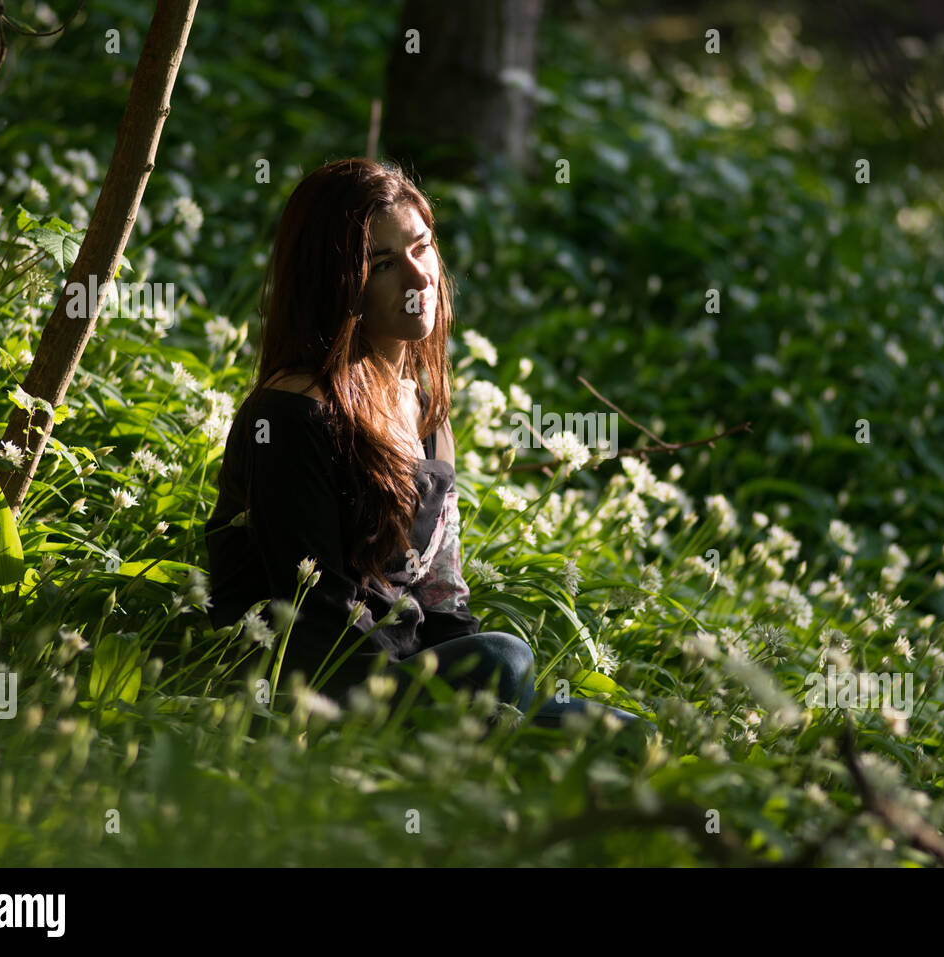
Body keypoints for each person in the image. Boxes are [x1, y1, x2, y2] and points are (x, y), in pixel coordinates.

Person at [203, 157, 654, 743]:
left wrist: (472, 673)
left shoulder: (424, 411)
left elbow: (442, 595)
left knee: (624, 731)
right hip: (317, 689)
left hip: (410, 680)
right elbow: (312, 616)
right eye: (383, 264)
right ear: (337, 284)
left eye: (422, 248)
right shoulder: (292, 414)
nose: (418, 279)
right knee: (507, 663)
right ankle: (489, 735)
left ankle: (495, 732)